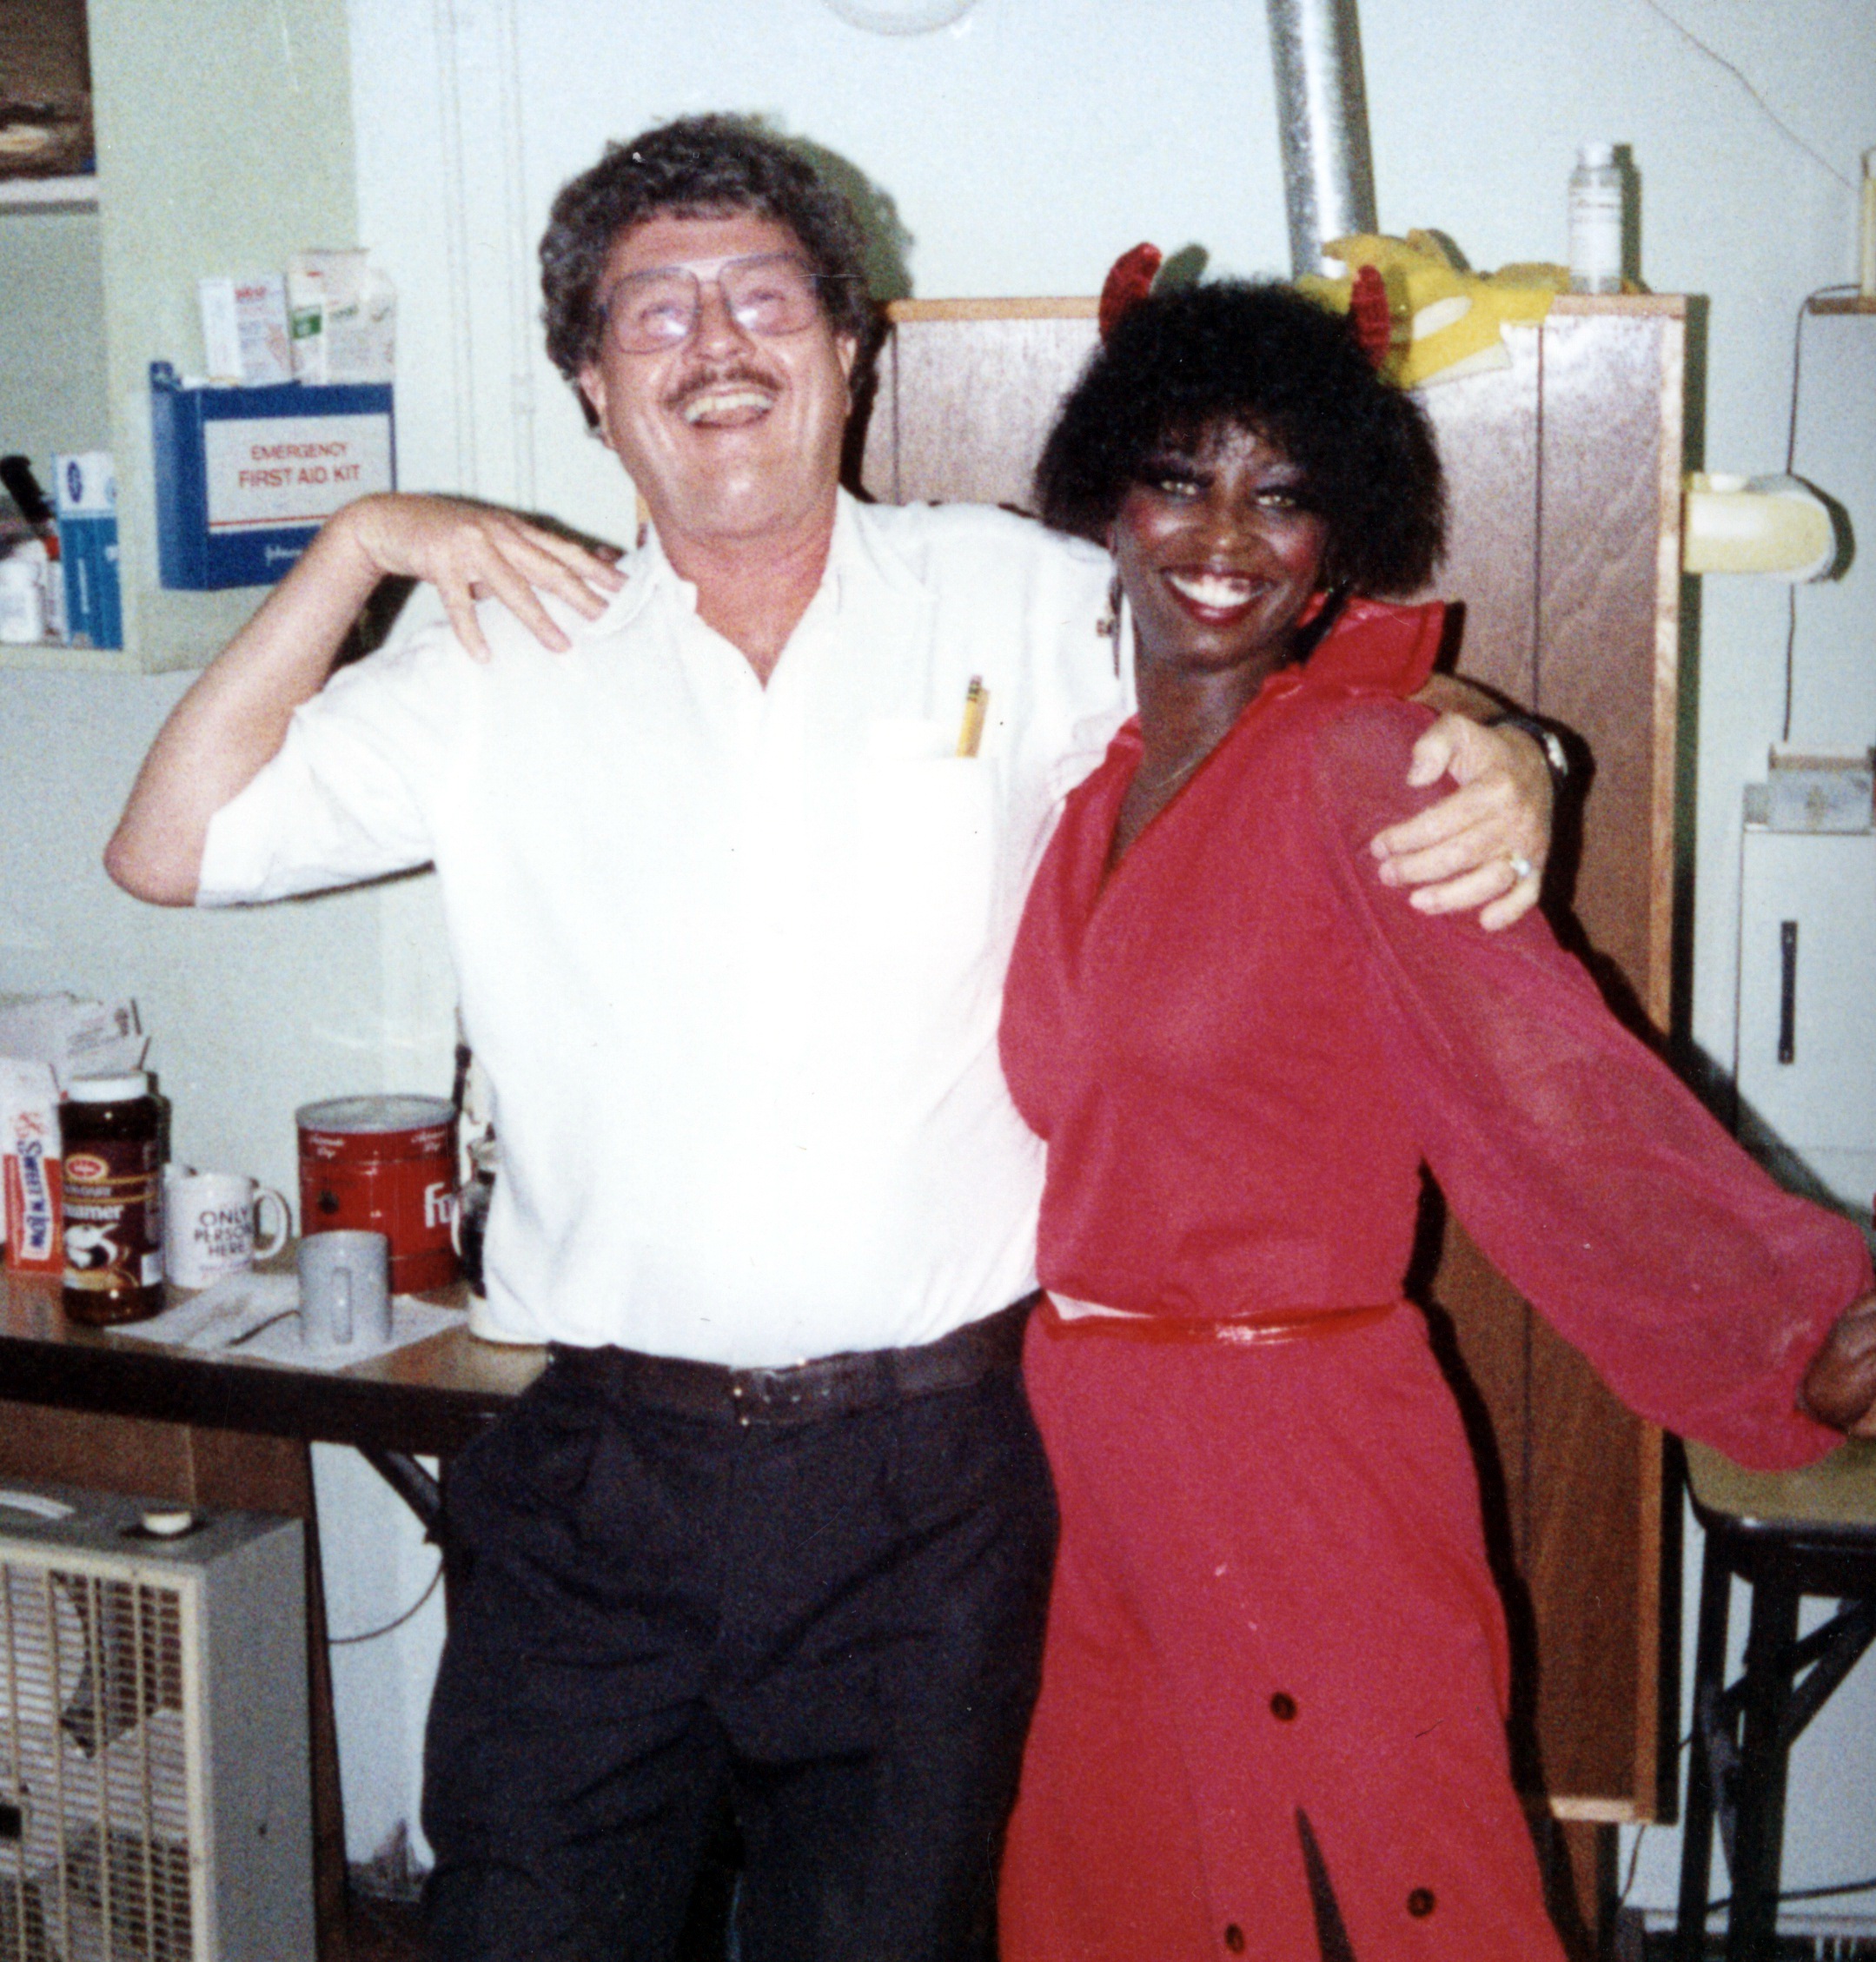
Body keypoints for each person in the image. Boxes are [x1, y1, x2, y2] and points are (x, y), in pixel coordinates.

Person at [104, 120, 1556, 1962]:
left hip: (932, 1487)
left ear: (851, 350)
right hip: (599, 1481)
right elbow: (169, 846)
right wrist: (364, 543)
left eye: (765, 297)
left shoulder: (1015, 595)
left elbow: (1286, 662)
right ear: (592, 386)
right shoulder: (495, 651)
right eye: (656, 311)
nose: (716, 342)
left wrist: (1509, 746)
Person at [993, 279, 1876, 1961]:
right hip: (1096, 1465)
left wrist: (1804, 1325)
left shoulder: (1367, 767)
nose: (1224, 535)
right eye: (1180, 477)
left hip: (1296, 1454)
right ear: (1110, 497)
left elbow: (1557, 1094)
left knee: (1379, 1897)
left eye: (1282, 495)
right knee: (1126, 1903)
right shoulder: (1089, 794)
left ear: (1340, 539)